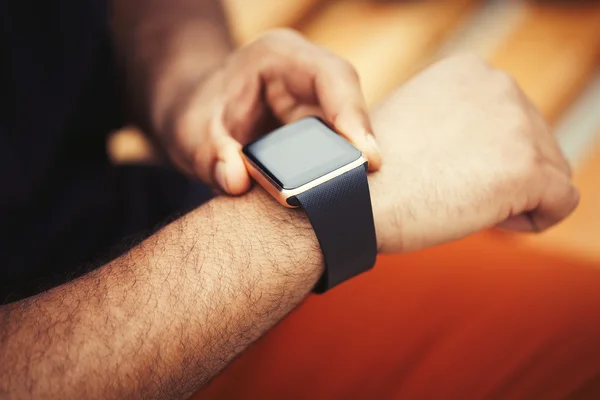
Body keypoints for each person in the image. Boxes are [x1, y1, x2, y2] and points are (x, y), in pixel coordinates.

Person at [0, 1, 581, 399]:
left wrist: (188, 74)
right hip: (98, 347)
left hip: (147, 237)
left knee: (579, 321)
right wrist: (341, 208)